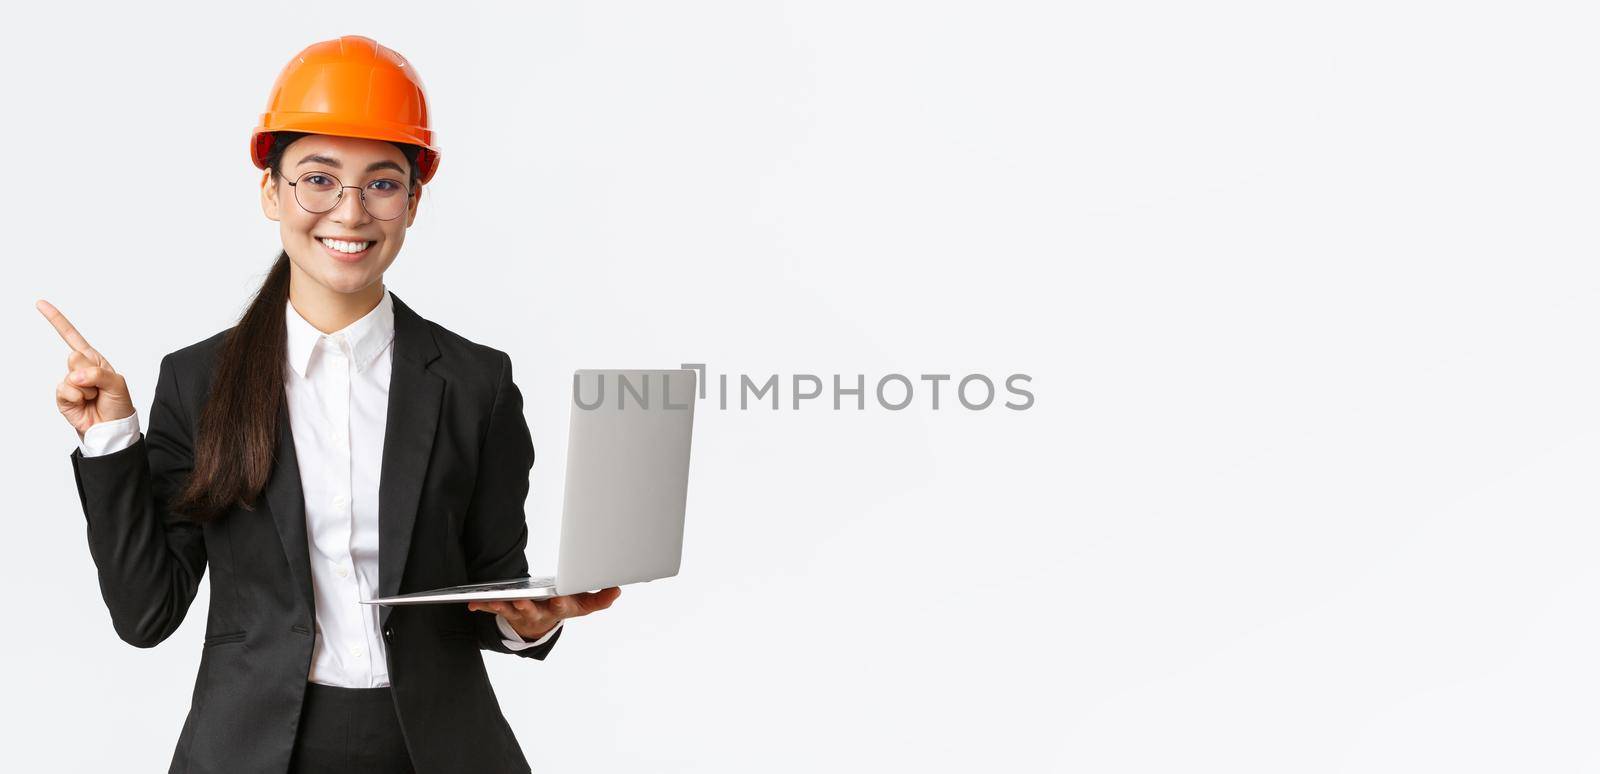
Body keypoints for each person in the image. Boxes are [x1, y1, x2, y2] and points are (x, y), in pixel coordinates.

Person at [37, 35, 620, 773]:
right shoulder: (199, 383)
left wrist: (527, 625)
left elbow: (494, 583)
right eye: (318, 179)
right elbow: (147, 615)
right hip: (255, 752)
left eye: (381, 183)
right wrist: (111, 438)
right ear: (271, 192)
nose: (348, 212)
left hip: (437, 751)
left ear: (413, 201)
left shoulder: (476, 384)